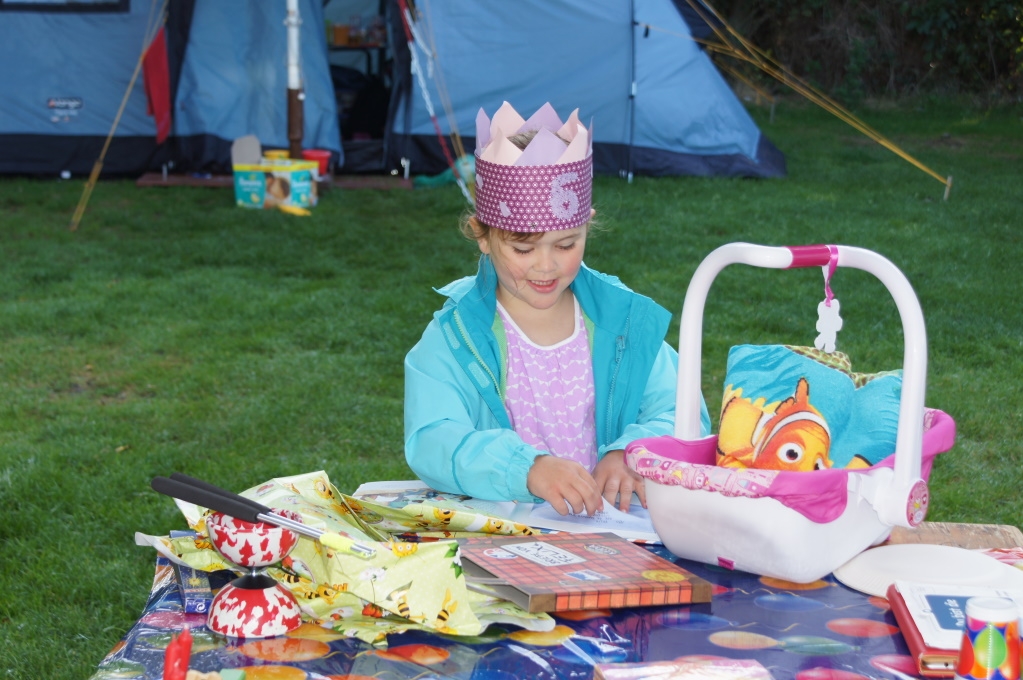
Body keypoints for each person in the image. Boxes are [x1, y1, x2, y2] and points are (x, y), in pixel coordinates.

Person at [404, 102, 709, 517]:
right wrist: (525, 469)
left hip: (611, 530)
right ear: (482, 235)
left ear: (587, 226)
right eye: (523, 249)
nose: (546, 266)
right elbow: (432, 439)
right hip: (505, 533)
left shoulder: (620, 323)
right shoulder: (456, 335)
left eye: (566, 245)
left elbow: (681, 411)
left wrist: (631, 453)